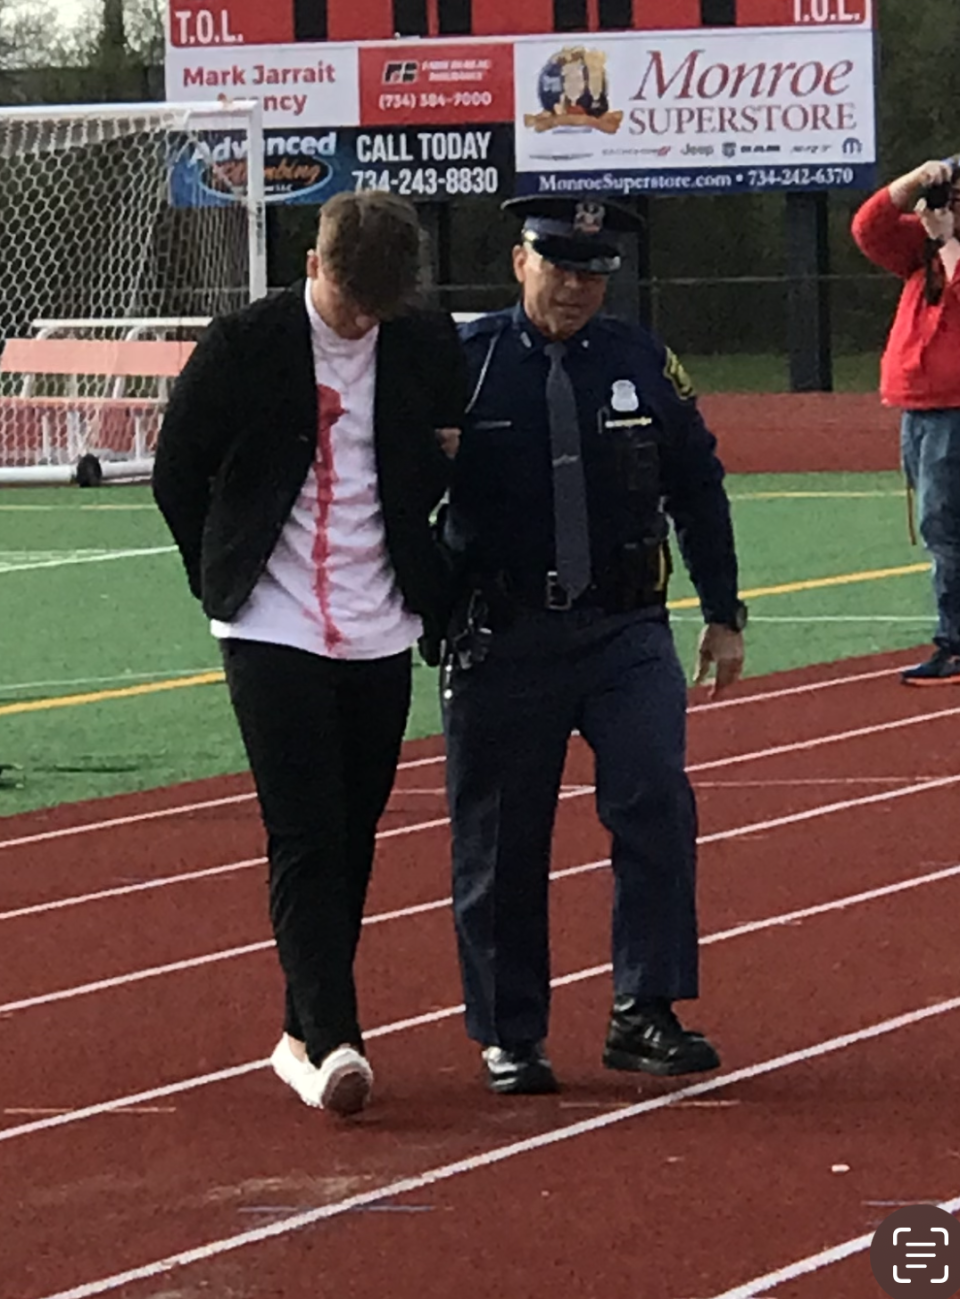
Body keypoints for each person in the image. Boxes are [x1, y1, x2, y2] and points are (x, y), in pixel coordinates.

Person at [153, 191, 466, 1116]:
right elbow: (178, 472)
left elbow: (441, 457)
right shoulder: (243, 346)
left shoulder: (421, 344)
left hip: (378, 616)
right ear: (313, 267)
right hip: (269, 618)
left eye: (381, 307)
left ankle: (301, 1029)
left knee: (354, 827)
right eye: (351, 302)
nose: (363, 321)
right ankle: (333, 1035)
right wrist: (218, 574)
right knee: (303, 826)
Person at [440, 195, 747, 1095]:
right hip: (505, 635)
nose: (577, 287)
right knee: (501, 840)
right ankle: (510, 1032)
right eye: (560, 267)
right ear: (518, 262)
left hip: (625, 627)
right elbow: (400, 492)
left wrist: (723, 610)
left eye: (594, 272)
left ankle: (643, 1007)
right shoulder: (464, 364)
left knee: (655, 799)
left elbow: (699, 483)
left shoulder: (642, 361)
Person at [852, 157, 960, 685]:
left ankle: (955, 642)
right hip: (920, 405)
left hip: (954, 408)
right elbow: (867, 227)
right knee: (940, 525)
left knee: (945, 528)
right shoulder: (925, 254)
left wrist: (947, 243)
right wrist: (915, 181)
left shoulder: (945, 252)